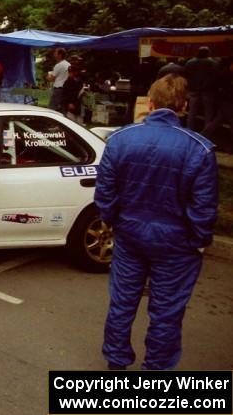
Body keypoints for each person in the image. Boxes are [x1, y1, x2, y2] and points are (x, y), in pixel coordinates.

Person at [95, 74, 217, 370]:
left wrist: (114, 222)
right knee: (166, 312)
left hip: (131, 235)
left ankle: (116, 362)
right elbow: (204, 208)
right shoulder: (199, 149)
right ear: (184, 106)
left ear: (150, 103)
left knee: (122, 303)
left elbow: (105, 193)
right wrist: (198, 241)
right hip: (176, 244)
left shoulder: (120, 139)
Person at [184, 46, 218, 131]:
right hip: (208, 90)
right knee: (208, 111)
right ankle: (207, 130)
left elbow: (186, 76)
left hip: (193, 90)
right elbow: (216, 77)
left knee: (192, 111)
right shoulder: (213, 63)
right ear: (208, 53)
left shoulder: (190, 62)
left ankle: (190, 128)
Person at [202, 57, 233, 146]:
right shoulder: (225, 75)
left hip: (225, 101)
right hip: (226, 101)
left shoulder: (225, 74)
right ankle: (202, 135)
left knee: (216, 121)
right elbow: (224, 89)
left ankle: (202, 135)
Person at [47, 48, 70, 113]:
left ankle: (49, 120)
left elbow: (51, 79)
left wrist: (48, 76)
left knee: (52, 107)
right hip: (65, 88)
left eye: (55, 53)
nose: (54, 54)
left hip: (58, 89)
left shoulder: (58, 65)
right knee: (63, 107)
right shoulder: (68, 64)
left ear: (60, 55)